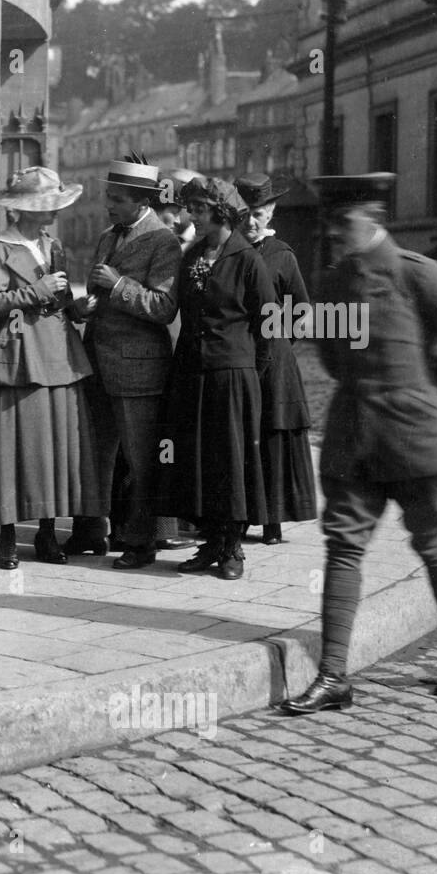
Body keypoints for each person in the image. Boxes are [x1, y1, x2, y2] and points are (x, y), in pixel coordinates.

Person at [281, 173, 437, 713]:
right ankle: (333, 676)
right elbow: (330, 356)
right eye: (329, 224)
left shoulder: (419, 275)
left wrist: (432, 400)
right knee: (344, 548)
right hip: (355, 440)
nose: (332, 232)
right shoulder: (331, 282)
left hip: (418, 440)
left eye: (342, 222)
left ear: (372, 219)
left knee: (432, 542)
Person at [0, 167, 101, 569]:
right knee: (13, 444)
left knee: (54, 446)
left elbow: (57, 302)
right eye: (46, 207)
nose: (53, 214)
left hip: (59, 353)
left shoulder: (52, 244)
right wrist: (33, 292)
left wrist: (75, 308)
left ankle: (46, 532)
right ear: (22, 210)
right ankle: (6, 534)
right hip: (20, 357)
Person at [73, 155, 181, 570]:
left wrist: (117, 285)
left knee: (140, 459)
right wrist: (86, 307)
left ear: (141, 201)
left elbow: (164, 307)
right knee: (95, 453)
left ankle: (142, 542)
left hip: (140, 369)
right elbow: (102, 296)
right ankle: (90, 531)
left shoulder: (163, 241)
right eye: (108, 197)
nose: (109, 205)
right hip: (97, 359)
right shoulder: (107, 236)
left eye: (117, 199)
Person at [162, 176, 272, 581]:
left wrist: (247, 372)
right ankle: (209, 542)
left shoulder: (247, 259)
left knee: (231, 461)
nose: (192, 215)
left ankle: (233, 548)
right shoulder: (192, 256)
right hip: (191, 371)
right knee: (196, 460)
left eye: (199, 209)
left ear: (221, 212)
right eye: (190, 208)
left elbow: (268, 324)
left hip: (232, 375)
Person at [235, 173, 317, 545]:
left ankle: (273, 520)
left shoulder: (281, 254)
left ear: (270, 212)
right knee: (240, 434)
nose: (251, 222)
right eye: (245, 213)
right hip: (237, 357)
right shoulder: (229, 251)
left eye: (258, 213)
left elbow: (302, 311)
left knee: (271, 434)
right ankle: (239, 515)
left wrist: (280, 343)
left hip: (273, 360)